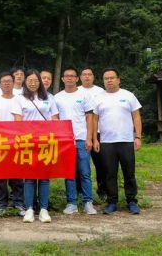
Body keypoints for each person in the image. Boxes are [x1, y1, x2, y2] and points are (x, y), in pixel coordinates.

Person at [90, 68, 142, 215]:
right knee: (109, 173)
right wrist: (95, 139)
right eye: (106, 78)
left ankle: (131, 201)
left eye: (112, 78)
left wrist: (138, 137)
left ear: (118, 80)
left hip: (126, 140)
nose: (109, 81)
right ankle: (112, 202)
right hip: (107, 142)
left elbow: (136, 117)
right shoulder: (98, 98)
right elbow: (94, 120)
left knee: (129, 173)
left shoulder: (128, 95)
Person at [13, 70, 59, 223]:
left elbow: (55, 119)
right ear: (25, 82)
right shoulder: (20, 98)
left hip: (46, 141)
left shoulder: (49, 98)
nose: (33, 83)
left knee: (44, 177)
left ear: (40, 82)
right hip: (28, 142)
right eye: (30, 81)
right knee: (29, 177)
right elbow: (18, 121)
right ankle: (29, 209)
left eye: (35, 81)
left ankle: (44, 209)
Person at [54, 67, 96, 215]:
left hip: (81, 139)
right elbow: (55, 118)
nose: (69, 78)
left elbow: (90, 117)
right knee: (69, 173)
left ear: (77, 79)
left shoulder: (84, 95)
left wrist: (89, 138)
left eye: (72, 76)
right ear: (62, 79)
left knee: (85, 172)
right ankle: (71, 203)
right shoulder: (57, 97)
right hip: (66, 140)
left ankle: (88, 202)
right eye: (67, 76)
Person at [0, 73, 25, 217]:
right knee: (0, 177)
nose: (6, 84)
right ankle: (1, 205)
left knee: (17, 175)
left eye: (9, 81)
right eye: (3, 81)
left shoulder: (20, 99)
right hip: (0, 142)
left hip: (17, 141)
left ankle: (18, 203)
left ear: (13, 83)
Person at [80, 67, 106, 198]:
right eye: (84, 74)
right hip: (81, 134)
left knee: (101, 163)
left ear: (93, 77)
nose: (87, 77)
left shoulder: (101, 91)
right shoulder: (77, 91)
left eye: (89, 74)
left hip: (98, 132)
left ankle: (103, 190)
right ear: (80, 77)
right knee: (80, 164)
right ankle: (80, 191)